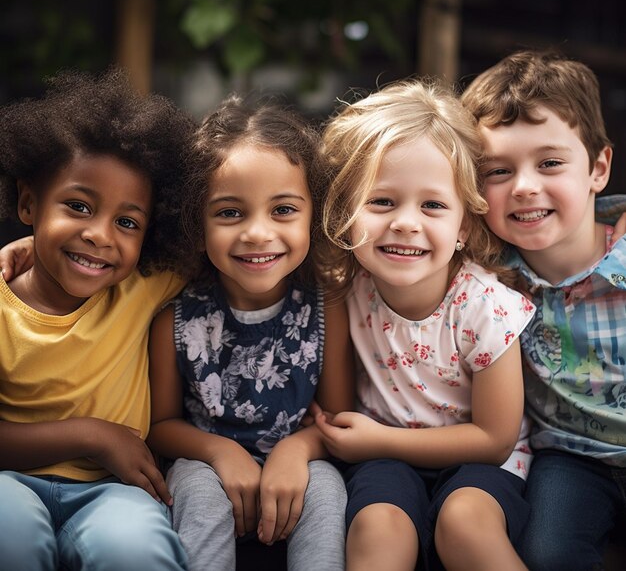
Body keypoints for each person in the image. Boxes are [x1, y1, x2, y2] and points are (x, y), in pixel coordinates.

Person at [314, 78, 536, 571]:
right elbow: (335, 408)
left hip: (481, 464)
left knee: (464, 523)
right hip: (383, 463)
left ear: (464, 226)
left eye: (432, 205)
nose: (406, 222)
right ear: (347, 212)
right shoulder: (344, 290)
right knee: (378, 527)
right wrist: (373, 446)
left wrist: (380, 439)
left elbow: (494, 439)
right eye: (382, 201)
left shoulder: (486, 308)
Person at [145, 95, 354, 571]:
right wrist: (219, 453)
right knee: (197, 492)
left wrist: (296, 450)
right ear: (196, 223)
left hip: (299, 462)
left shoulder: (327, 307)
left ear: (312, 213)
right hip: (205, 466)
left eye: (283, 210)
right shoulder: (175, 320)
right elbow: (160, 427)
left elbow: (338, 419)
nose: (258, 233)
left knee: (326, 487)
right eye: (230, 213)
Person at [0, 69, 194, 571]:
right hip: (7, 482)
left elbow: (230, 241)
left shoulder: (141, 285)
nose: (99, 235)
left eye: (127, 222)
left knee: (135, 548)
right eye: (78, 206)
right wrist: (94, 435)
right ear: (28, 203)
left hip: (114, 493)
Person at [461, 49, 626, 570]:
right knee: (548, 553)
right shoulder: (487, 278)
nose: (525, 186)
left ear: (598, 167)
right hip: (571, 457)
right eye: (498, 171)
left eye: (550, 163)